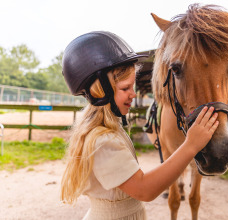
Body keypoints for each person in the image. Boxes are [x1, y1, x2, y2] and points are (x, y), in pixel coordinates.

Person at [60, 31, 219, 220]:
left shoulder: (112, 130)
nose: (133, 94)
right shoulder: (102, 140)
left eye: (132, 87)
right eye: (125, 88)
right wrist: (191, 145)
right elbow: (144, 190)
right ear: (101, 91)